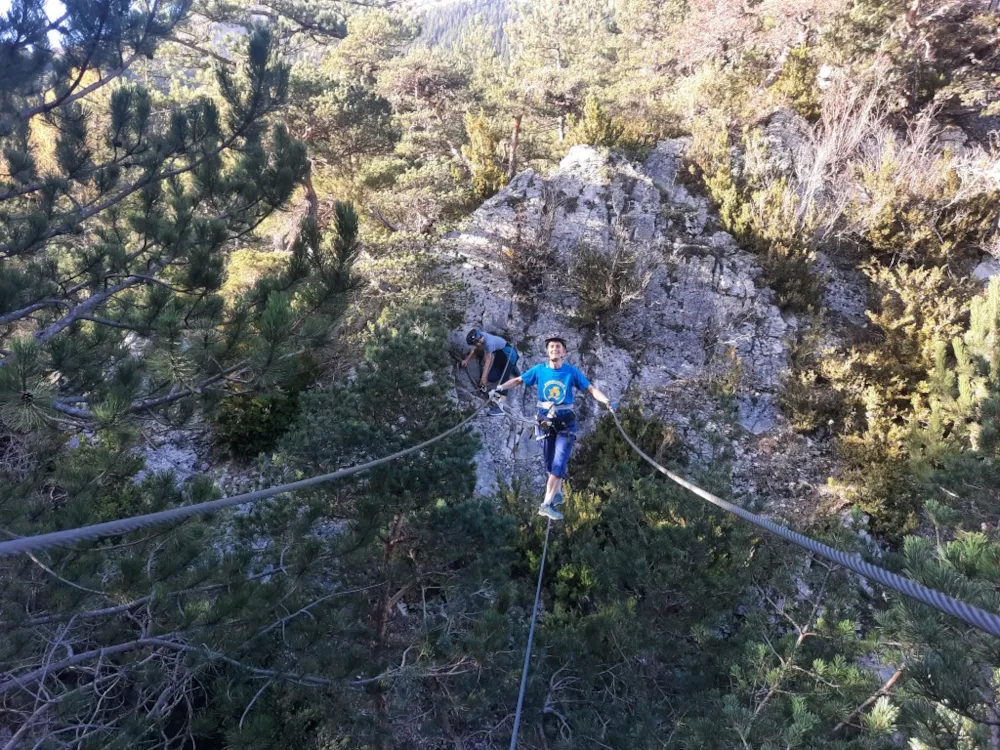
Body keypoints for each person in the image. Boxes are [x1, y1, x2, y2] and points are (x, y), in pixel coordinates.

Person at [492, 336, 615, 521]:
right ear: (547, 352)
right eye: (551, 347)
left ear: (564, 352)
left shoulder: (571, 372)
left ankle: (546, 504)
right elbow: (518, 380)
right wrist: (499, 388)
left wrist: (605, 400)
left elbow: (590, 389)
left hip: (565, 423)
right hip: (545, 423)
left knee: (559, 464)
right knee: (551, 466)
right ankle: (556, 494)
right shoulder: (539, 371)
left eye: (558, 347)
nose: (554, 349)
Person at [461, 328, 520, 416]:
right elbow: (475, 349)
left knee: (504, 382)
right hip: (500, 354)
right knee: (492, 377)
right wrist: (466, 360)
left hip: (509, 355)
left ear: (478, 340)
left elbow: (488, 360)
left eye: (476, 343)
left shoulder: (489, 343)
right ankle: (513, 368)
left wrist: (483, 378)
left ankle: (500, 409)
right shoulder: (480, 336)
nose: (476, 345)